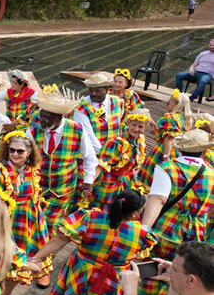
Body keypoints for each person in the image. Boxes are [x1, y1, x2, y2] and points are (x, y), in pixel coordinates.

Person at [137, 129, 214, 295]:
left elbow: (158, 199)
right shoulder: (211, 174)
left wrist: (144, 230)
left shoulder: (167, 168)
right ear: (204, 152)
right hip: (195, 236)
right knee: (182, 276)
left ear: (180, 149)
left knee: (152, 271)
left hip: (164, 231)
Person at [0, 131, 54, 295]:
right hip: (4, 220)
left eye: (20, 151)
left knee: (21, 260)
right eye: (12, 150)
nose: (15, 154)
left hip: (26, 221)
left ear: (29, 152)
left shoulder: (32, 170)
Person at [28, 85, 98, 229]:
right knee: (34, 221)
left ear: (59, 117)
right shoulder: (34, 129)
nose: (42, 120)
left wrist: (88, 180)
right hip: (38, 186)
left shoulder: (77, 129)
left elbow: (89, 156)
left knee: (51, 224)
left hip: (63, 188)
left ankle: (49, 244)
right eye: (41, 116)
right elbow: (22, 151)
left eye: (47, 118)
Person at [90, 108, 150, 208]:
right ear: (128, 123)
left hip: (127, 182)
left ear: (145, 127)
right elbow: (101, 164)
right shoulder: (116, 142)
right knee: (104, 209)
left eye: (140, 126)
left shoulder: (141, 140)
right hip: (109, 182)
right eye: (133, 125)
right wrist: (90, 183)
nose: (136, 129)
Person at [137, 90, 191, 188]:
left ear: (177, 105)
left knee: (151, 176)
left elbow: (168, 139)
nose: (167, 104)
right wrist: (157, 131)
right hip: (177, 151)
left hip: (163, 150)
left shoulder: (171, 117)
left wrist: (166, 157)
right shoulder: (184, 119)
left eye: (170, 102)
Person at [74, 72, 126, 153]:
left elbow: (119, 125)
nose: (93, 94)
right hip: (90, 153)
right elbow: (87, 134)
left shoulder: (119, 102)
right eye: (91, 90)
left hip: (113, 151)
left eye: (97, 90)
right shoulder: (80, 107)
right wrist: (102, 153)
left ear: (107, 90)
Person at [176, 38, 214, 102]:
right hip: (196, 72)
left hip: (207, 75)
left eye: (213, 45)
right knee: (179, 75)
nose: (211, 47)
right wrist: (191, 69)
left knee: (203, 80)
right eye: (210, 45)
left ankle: (192, 97)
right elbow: (194, 65)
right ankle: (179, 95)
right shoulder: (203, 54)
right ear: (208, 45)